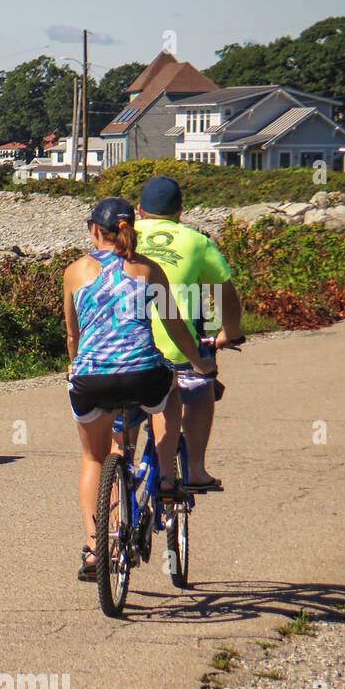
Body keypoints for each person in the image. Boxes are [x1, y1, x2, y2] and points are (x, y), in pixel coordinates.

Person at [65, 198, 216, 582]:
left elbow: (73, 335)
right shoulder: (150, 269)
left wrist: (74, 365)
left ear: (94, 231)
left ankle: (93, 547)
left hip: (91, 377)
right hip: (143, 373)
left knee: (93, 458)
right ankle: (166, 478)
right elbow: (176, 327)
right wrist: (200, 365)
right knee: (172, 395)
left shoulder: (75, 272)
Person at [136, 176, 244, 491]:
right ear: (180, 212)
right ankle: (196, 469)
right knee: (201, 387)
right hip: (178, 348)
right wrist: (231, 332)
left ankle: (120, 472)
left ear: (139, 211)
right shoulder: (197, 241)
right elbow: (225, 295)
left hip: (126, 346)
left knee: (125, 413)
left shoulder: (122, 238)